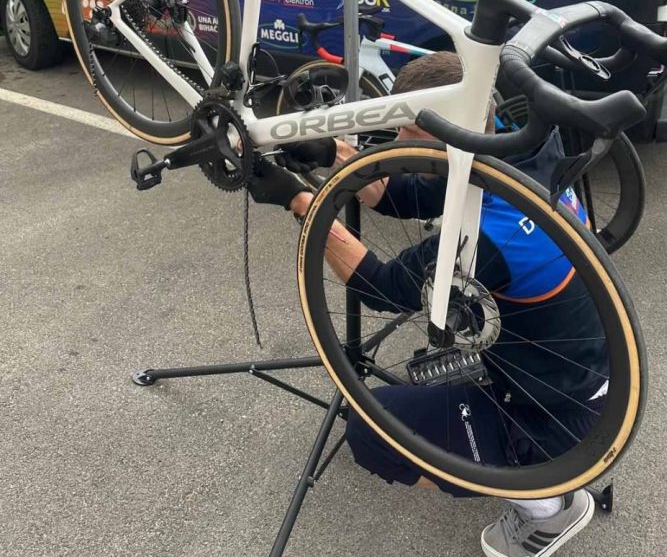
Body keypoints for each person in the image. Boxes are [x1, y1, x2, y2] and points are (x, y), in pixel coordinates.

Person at [249, 53, 606, 557]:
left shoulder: (490, 236)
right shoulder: (515, 144)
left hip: (556, 418)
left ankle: (547, 504)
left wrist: (301, 201)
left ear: (451, 133)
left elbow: (379, 287)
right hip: (581, 371)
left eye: (410, 135)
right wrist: (333, 152)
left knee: (370, 432)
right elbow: (414, 192)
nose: (397, 145)